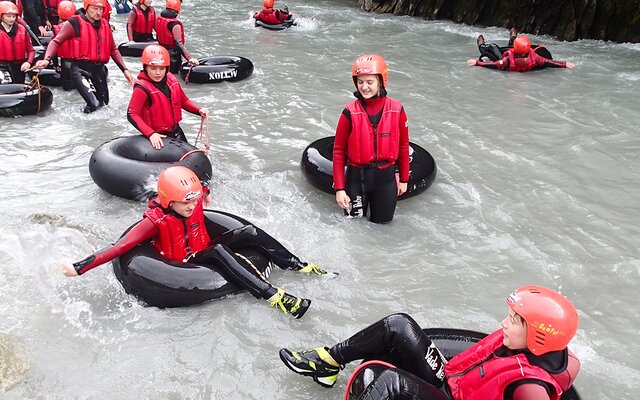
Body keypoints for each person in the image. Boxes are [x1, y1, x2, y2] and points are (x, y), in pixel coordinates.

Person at [60, 166, 332, 318]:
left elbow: (196, 190)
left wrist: (204, 194)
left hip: (202, 248)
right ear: (168, 201)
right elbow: (119, 247)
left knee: (247, 231)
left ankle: (297, 264)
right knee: (217, 251)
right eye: (185, 203)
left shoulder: (192, 203)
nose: (192, 207)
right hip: (186, 261)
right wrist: (79, 267)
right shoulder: (153, 222)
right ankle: (275, 297)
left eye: (195, 200)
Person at [280, 285, 580, 400]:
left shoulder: (530, 389)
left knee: (388, 383)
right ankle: (326, 364)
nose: (504, 323)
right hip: (451, 380)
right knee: (398, 324)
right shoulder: (525, 345)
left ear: (538, 337)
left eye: (514, 320)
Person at [332, 54, 410, 224]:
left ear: (381, 82)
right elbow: (338, 151)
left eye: (370, 82)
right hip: (356, 180)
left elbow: (404, 145)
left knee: (382, 230)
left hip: (386, 180)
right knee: (354, 228)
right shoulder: (349, 112)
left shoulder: (397, 109)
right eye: (360, 82)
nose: (364, 87)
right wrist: (339, 189)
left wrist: (404, 179)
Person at [34, 0, 135, 113]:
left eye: (101, 9)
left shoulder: (105, 24)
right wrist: (47, 59)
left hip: (98, 69)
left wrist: (125, 70)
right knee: (94, 104)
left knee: (104, 105)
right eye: (95, 9)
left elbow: (113, 50)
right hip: (80, 69)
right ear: (87, 7)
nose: (98, 12)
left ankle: (94, 125)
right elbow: (56, 42)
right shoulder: (74, 23)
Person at [127, 45, 208, 149]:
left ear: (167, 68)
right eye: (153, 68)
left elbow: (183, 101)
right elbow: (132, 114)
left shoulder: (171, 79)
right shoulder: (142, 88)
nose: (157, 73)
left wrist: (199, 110)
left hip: (175, 131)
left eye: (161, 69)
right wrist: (151, 134)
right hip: (157, 136)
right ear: (145, 67)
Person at [467, 34, 576, 72]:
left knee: (492, 46)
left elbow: (495, 65)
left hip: (506, 62)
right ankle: (513, 37)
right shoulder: (535, 58)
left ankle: (481, 44)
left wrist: (477, 63)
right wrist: (565, 64)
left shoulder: (507, 60)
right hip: (522, 64)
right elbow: (549, 62)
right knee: (503, 48)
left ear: (515, 48)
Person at [155, 0, 197, 74]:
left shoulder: (159, 19)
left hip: (161, 54)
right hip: (173, 58)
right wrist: (189, 59)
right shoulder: (175, 25)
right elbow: (178, 44)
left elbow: (157, 37)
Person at [0, 0, 35, 84]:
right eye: (8, 16)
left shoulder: (22, 29)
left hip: (19, 66)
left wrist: (28, 62)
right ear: (1, 16)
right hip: (2, 67)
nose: (12, 19)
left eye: (13, 16)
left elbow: (31, 50)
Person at [50, 0, 75, 90]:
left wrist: (56, 65)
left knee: (67, 88)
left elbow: (54, 50)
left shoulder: (57, 31)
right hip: (79, 64)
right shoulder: (81, 27)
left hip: (65, 62)